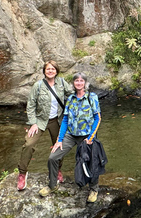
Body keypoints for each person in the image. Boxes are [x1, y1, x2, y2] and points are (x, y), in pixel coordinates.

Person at [42, 72, 102, 202]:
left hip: (87, 135)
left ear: (85, 83)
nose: (79, 83)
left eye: (81, 81)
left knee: (92, 161)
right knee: (53, 157)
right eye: (76, 81)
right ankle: (52, 185)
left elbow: (97, 118)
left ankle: (93, 189)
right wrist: (59, 140)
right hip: (70, 135)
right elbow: (65, 120)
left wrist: (91, 137)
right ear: (73, 83)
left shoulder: (92, 97)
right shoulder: (70, 99)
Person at [16, 60, 71, 191]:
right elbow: (30, 105)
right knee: (29, 144)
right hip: (40, 121)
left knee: (60, 145)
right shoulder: (38, 85)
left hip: (57, 120)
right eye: (48, 69)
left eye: (53, 69)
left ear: (56, 71)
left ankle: (57, 170)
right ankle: (22, 173)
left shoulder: (62, 83)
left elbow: (72, 96)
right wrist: (33, 123)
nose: (50, 71)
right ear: (44, 71)